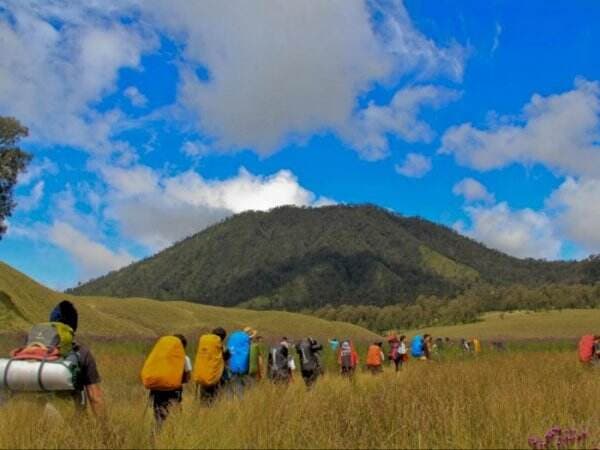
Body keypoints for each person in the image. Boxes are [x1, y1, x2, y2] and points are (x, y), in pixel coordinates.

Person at [49, 300, 104, 416]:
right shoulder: (81, 353)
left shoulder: (36, 351)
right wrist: (105, 431)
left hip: (35, 424)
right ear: (74, 326)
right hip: (72, 425)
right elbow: (95, 398)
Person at [148, 334, 192, 428]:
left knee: (158, 416)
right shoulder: (184, 358)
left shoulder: (160, 358)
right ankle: (173, 436)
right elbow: (188, 378)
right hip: (174, 391)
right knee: (175, 416)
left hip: (157, 391)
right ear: (183, 346)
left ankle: (155, 437)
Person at [199, 327, 230, 404]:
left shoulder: (204, 347)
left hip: (204, 376)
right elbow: (227, 360)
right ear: (223, 338)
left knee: (204, 401)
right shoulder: (223, 348)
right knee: (218, 400)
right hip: (219, 377)